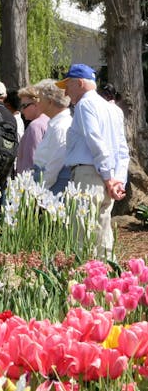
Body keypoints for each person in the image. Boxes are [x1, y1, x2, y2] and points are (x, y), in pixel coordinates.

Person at [59, 64, 129, 256]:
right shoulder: (113, 110)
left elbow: (95, 140)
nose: (65, 91)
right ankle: (105, 281)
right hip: (108, 178)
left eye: (68, 85)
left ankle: (86, 281)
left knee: (82, 236)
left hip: (89, 176)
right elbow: (122, 151)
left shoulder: (84, 104)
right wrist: (117, 181)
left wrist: (108, 179)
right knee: (103, 238)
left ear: (80, 83)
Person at [32, 80, 72, 193]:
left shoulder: (61, 126)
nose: (37, 103)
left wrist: (41, 191)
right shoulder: (55, 124)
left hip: (51, 186)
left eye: (39, 99)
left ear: (50, 101)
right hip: (46, 181)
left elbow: (55, 165)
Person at [15, 84, 49, 174]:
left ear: (36, 104)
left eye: (24, 106)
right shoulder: (49, 121)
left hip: (31, 181)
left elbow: (31, 161)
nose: (22, 110)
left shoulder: (35, 126)